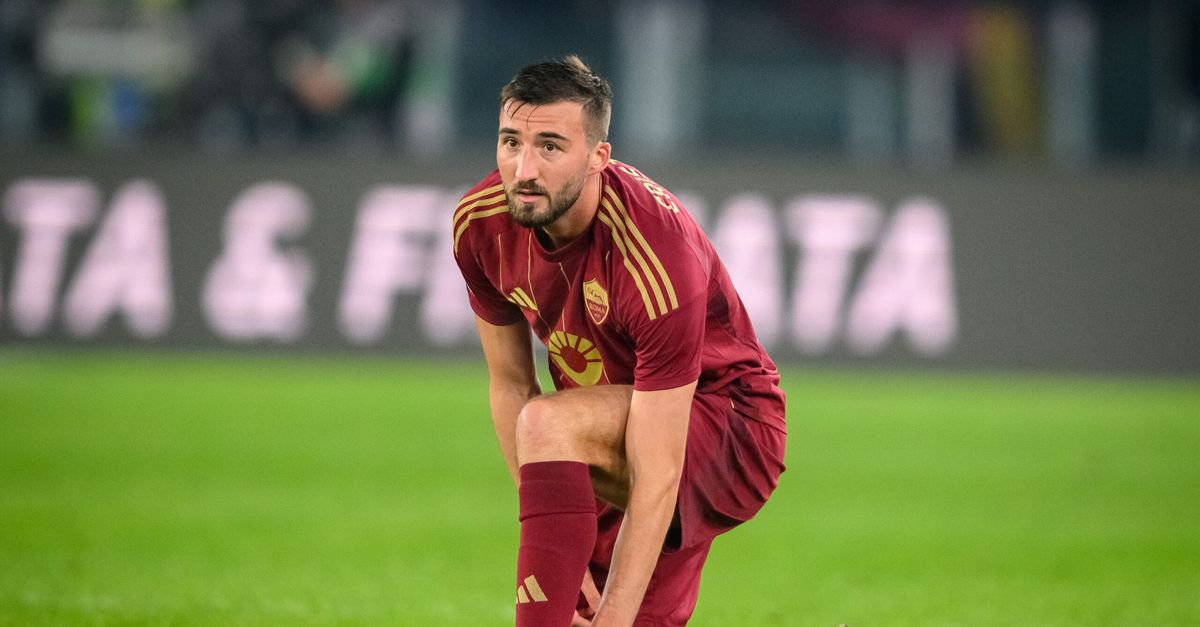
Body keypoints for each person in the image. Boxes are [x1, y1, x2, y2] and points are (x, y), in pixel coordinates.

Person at [451, 56, 787, 627]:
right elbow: (510, 384)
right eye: (511, 142)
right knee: (591, 602)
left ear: (598, 157)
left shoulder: (656, 256)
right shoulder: (479, 226)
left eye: (550, 147)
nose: (523, 169)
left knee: (548, 423)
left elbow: (657, 469)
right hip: (607, 423)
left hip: (727, 426)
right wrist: (552, 536)